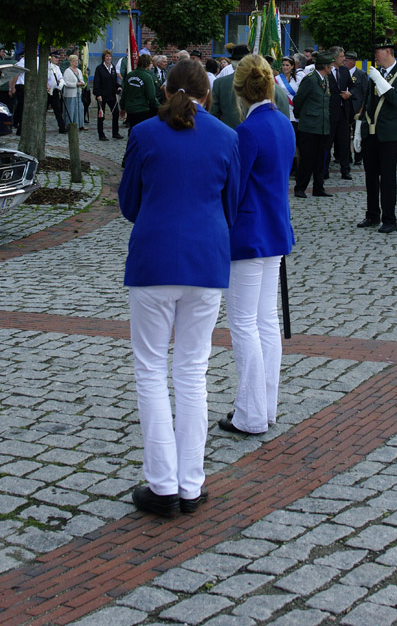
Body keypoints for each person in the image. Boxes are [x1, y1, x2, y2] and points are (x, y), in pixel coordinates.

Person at [119, 59, 239, 518]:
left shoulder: (145, 133)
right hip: (206, 259)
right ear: (207, 95)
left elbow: (129, 202)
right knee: (192, 372)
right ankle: (190, 483)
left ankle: (163, 484)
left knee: (151, 369)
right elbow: (231, 205)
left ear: (165, 91)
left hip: (154, 257)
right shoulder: (226, 137)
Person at [219, 55, 295, 436]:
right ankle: (265, 407)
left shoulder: (247, 131)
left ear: (240, 92)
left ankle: (249, 415)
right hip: (275, 230)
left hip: (249, 235)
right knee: (265, 320)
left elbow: (233, 189)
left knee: (244, 322)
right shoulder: (283, 122)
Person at [354, 38, 397, 233]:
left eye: (377, 52)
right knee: (370, 176)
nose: (375, 56)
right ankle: (372, 214)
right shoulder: (376, 73)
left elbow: (396, 99)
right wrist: (359, 129)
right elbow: (368, 102)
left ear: (387, 51)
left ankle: (389, 218)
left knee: (387, 178)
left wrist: (379, 79)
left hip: (389, 135)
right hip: (371, 133)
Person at [292, 51, 333, 197]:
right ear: (325, 66)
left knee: (320, 159)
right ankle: (300, 188)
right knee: (307, 158)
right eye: (330, 66)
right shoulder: (310, 79)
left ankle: (318, 187)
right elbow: (298, 99)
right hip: (309, 126)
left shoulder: (325, 79)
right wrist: (301, 116)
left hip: (322, 126)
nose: (331, 68)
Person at [326, 47, 353, 180]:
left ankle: (345, 170)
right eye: (342, 56)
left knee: (344, 143)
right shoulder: (326, 71)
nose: (344, 59)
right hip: (330, 113)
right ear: (334, 58)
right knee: (327, 143)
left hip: (343, 112)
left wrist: (350, 93)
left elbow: (353, 86)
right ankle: (324, 170)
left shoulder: (344, 70)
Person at [211, 45, 250, 128]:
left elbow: (213, 114)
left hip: (228, 131)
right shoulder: (259, 83)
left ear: (232, 63)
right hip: (253, 132)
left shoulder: (219, 83)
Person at [121, 54, 160, 136]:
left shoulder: (130, 75)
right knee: (141, 132)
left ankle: (131, 142)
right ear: (146, 64)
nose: (151, 65)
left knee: (132, 129)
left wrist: (122, 107)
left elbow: (125, 93)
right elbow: (151, 97)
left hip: (130, 108)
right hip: (141, 109)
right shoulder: (147, 77)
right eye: (151, 63)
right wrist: (159, 107)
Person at [344, 51, 368, 166]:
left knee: (358, 132)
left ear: (353, 62)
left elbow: (365, 92)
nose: (344, 62)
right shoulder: (342, 73)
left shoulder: (361, 74)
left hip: (357, 108)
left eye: (347, 60)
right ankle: (347, 156)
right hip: (345, 107)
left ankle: (358, 156)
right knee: (345, 134)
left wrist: (363, 108)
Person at [93, 50, 123, 141]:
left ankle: (115, 133)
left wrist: (118, 87)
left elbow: (114, 81)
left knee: (116, 113)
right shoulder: (99, 68)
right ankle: (101, 134)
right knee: (101, 115)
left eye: (110, 56)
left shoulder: (113, 67)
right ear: (104, 58)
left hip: (111, 95)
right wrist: (98, 94)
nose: (108, 58)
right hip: (102, 95)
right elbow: (96, 82)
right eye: (107, 56)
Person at [62, 54, 86, 129]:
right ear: (71, 62)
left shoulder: (79, 71)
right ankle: (70, 125)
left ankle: (80, 125)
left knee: (79, 109)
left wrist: (82, 83)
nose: (76, 62)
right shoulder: (67, 71)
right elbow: (66, 83)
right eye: (74, 61)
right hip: (70, 94)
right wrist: (76, 84)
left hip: (78, 93)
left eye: (77, 60)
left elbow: (82, 79)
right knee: (71, 110)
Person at [47, 52, 66, 134]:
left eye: (58, 58)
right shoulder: (46, 67)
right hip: (47, 91)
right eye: (55, 57)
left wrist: (60, 84)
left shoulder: (57, 68)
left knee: (58, 110)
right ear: (51, 57)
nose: (57, 59)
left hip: (54, 91)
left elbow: (60, 77)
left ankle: (62, 127)